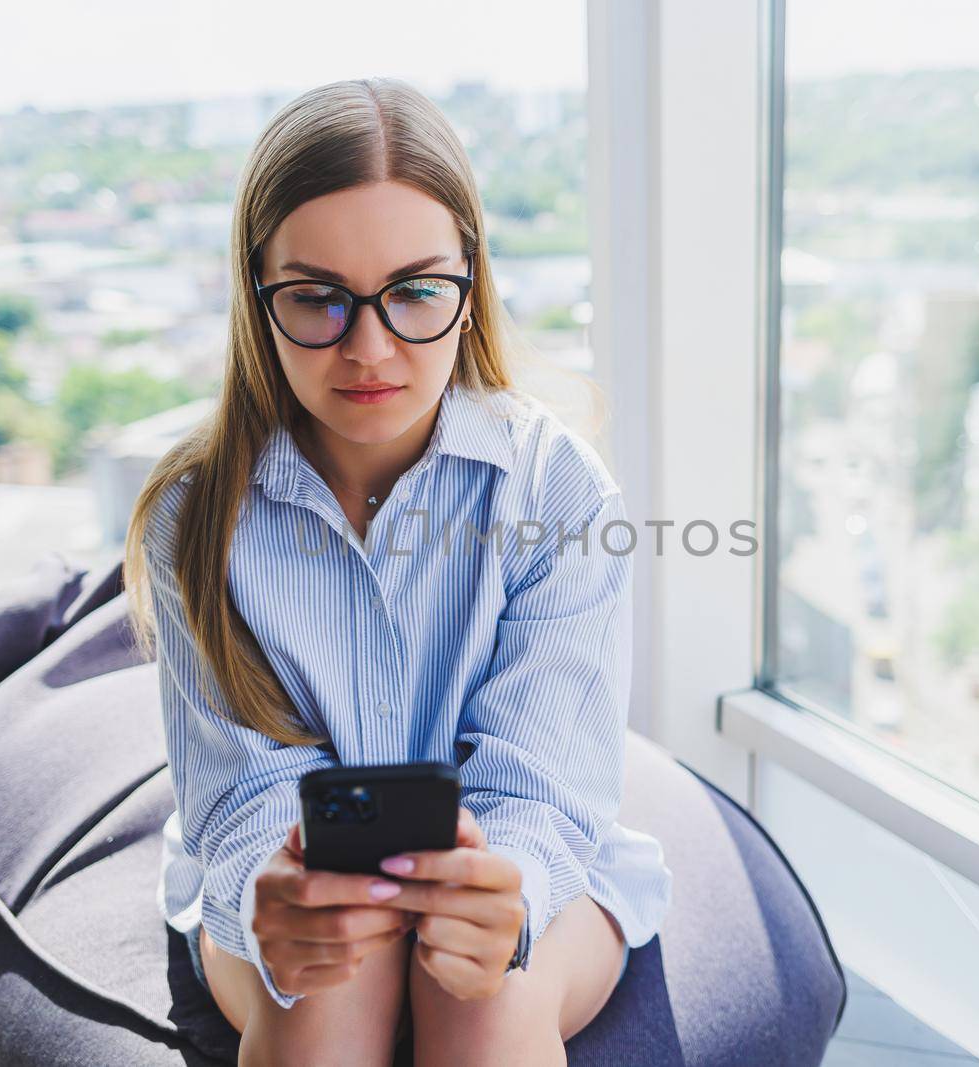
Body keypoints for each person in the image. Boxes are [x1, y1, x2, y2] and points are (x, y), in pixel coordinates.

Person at [122, 76, 671, 1066]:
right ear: (259, 297)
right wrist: (273, 898)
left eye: (416, 291)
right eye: (317, 298)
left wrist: (494, 893)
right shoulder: (194, 516)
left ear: (470, 283)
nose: (367, 348)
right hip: (278, 882)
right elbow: (244, 791)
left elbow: (540, 785)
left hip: (523, 866)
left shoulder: (556, 488)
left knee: (482, 999)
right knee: (324, 988)